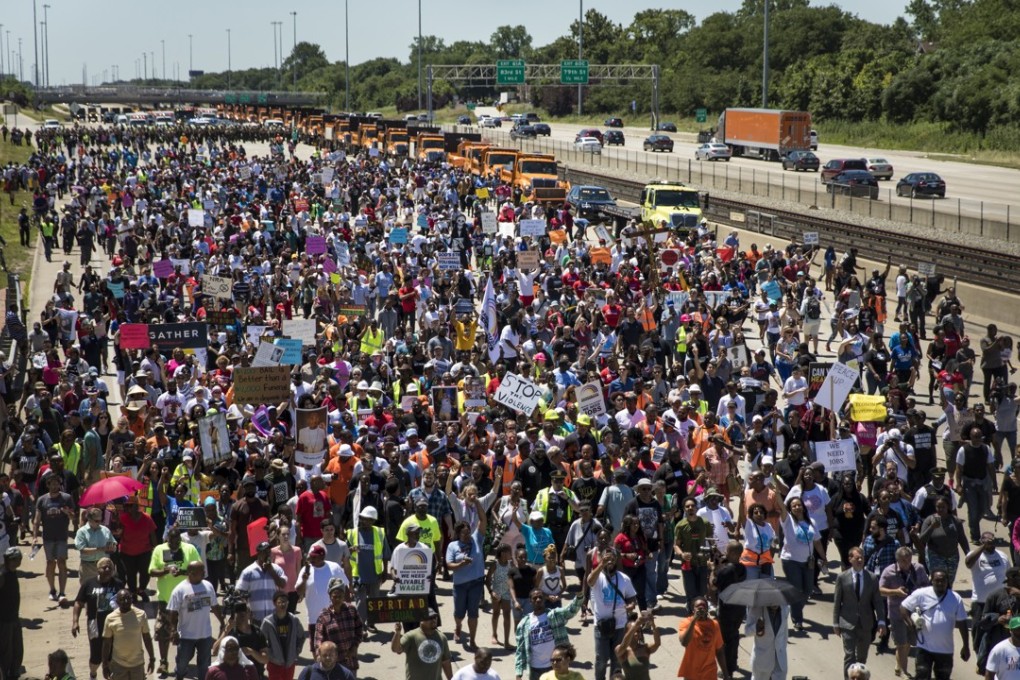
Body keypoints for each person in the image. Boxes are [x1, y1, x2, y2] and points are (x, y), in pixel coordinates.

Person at [901, 568, 971, 680]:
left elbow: (962, 623)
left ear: (947, 582)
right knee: (922, 676)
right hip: (924, 648)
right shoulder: (921, 594)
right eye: (937, 580)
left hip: (945, 650)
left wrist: (966, 646)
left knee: (943, 677)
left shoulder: (956, 598)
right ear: (931, 581)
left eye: (943, 581)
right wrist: (910, 624)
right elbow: (904, 607)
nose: (940, 583)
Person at [150, 528, 202, 677]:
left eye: (177, 541)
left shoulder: (189, 549)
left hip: (188, 599)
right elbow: (152, 571)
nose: (175, 544)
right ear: (167, 539)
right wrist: (165, 570)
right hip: (166, 599)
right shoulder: (159, 550)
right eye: (171, 541)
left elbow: (199, 571)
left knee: (188, 632)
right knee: (163, 632)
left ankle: (182, 661)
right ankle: (164, 662)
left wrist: (183, 572)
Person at [833, 546, 887, 679]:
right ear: (850, 559)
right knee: (850, 656)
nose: (860, 560)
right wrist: (835, 623)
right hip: (847, 623)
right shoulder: (842, 577)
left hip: (866, 623)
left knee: (862, 658)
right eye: (857, 558)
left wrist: (881, 621)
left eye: (862, 558)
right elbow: (837, 601)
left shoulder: (872, 578)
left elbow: (878, 602)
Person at [879, 546, 931, 677]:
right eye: (903, 561)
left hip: (915, 614)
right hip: (897, 614)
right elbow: (880, 590)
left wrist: (920, 593)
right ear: (897, 560)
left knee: (908, 643)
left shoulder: (918, 569)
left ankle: (899, 664)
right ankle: (905, 672)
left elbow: (927, 586)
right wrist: (895, 591)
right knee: (901, 643)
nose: (907, 563)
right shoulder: (889, 571)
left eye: (908, 560)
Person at [586, 547, 637, 680]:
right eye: (606, 558)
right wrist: (601, 565)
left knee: (617, 660)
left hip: (619, 625)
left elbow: (632, 597)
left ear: (616, 560)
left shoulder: (624, 578)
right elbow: (589, 581)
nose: (610, 561)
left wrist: (631, 605)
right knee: (601, 660)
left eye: (612, 558)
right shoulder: (598, 576)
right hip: (601, 625)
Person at [168, 561, 223, 680]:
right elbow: (173, 612)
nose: (204, 573)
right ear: (191, 573)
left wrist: (222, 621)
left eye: (204, 570)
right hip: (186, 636)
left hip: (205, 634)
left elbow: (214, 605)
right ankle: (179, 676)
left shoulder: (208, 586)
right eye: (201, 572)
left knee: (204, 665)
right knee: (182, 663)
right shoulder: (180, 590)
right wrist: (173, 630)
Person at [71, 557, 124, 679]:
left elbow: (126, 603)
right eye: (104, 567)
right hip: (94, 624)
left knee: (112, 653)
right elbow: (78, 603)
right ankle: (93, 673)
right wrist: (75, 622)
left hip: (114, 624)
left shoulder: (118, 584)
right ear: (97, 569)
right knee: (96, 656)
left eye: (109, 567)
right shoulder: (89, 584)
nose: (107, 569)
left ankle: (110, 675)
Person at [513, 590, 582, 680]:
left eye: (540, 597)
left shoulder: (554, 615)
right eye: (534, 598)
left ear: (544, 600)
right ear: (530, 601)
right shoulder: (524, 624)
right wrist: (518, 674)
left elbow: (570, 610)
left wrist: (579, 597)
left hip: (555, 666)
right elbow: (520, 650)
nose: (538, 600)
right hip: (534, 670)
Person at [33, 473, 74, 603]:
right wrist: (35, 537)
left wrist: (69, 513)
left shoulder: (67, 498)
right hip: (48, 537)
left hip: (62, 536)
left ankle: (62, 592)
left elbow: (74, 517)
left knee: (62, 563)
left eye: (57, 483)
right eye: (52, 483)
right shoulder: (42, 500)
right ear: (48, 485)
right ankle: (52, 589)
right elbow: (36, 520)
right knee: (50, 563)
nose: (55, 485)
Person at [102, 588, 156, 680]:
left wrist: (152, 658)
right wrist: (105, 665)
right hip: (118, 665)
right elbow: (107, 643)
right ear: (117, 602)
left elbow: (146, 638)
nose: (125, 601)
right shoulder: (110, 618)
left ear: (132, 599)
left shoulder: (141, 614)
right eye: (122, 599)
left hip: (137, 664)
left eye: (128, 598)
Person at [313, 579, 363, 675]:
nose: (337, 599)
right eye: (334, 596)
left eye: (340, 596)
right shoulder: (324, 615)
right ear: (330, 596)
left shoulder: (351, 610)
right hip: (331, 663)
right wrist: (320, 653)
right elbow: (318, 638)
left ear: (344, 596)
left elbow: (359, 629)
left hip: (350, 660)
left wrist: (355, 646)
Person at [677, 596, 730, 680]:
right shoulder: (686, 623)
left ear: (707, 609)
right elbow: (684, 642)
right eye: (698, 607)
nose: (701, 608)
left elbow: (719, 651)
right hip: (691, 672)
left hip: (709, 672)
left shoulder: (714, 625)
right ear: (693, 609)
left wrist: (726, 674)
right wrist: (694, 621)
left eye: (704, 606)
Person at [236, 541, 288, 625]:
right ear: (258, 553)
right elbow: (239, 592)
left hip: (273, 616)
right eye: (264, 552)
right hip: (256, 617)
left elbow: (283, 584)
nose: (267, 554)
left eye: (269, 552)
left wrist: (271, 571)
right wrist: (246, 608)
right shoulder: (248, 571)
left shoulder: (276, 569)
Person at [392, 610, 452, 680]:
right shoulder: (411, 636)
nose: (434, 620)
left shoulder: (442, 637)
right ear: (421, 620)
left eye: (435, 617)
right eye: (430, 618)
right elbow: (396, 649)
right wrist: (397, 633)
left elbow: (446, 662)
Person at [261, 590, 307, 680]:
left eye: (285, 602)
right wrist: (269, 654)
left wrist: (297, 651)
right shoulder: (268, 622)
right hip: (274, 663)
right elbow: (261, 641)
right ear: (275, 603)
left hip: (290, 663)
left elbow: (301, 636)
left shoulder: (294, 620)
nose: (283, 604)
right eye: (280, 602)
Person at [74, 507, 118, 584]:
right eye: (96, 521)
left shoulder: (105, 530)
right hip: (88, 566)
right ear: (89, 519)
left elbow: (113, 544)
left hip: (104, 566)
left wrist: (112, 547)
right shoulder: (82, 532)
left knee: (105, 590)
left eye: (101, 520)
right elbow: (82, 550)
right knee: (88, 592)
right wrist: (101, 549)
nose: (99, 523)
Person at [745, 604, 789, 680]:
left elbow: (784, 634)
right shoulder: (757, 609)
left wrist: (783, 653)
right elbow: (747, 631)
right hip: (762, 661)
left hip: (780, 662)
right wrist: (756, 627)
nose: (775, 603)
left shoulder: (785, 608)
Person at [613, 610, 661, 680]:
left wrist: (653, 624)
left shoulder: (645, 648)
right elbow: (624, 645)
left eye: (638, 631)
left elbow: (657, 643)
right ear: (627, 633)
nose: (636, 633)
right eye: (634, 631)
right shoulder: (623, 651)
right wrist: (636, 625)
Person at [0, 547, 23, 680]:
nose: (17, 563)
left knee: (17, 650)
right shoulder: (2, 575)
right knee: (6, 651)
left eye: (19, 560)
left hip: (14, 618)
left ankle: (14, 672)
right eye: (14, 560)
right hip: (4, 620)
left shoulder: (13, 572)